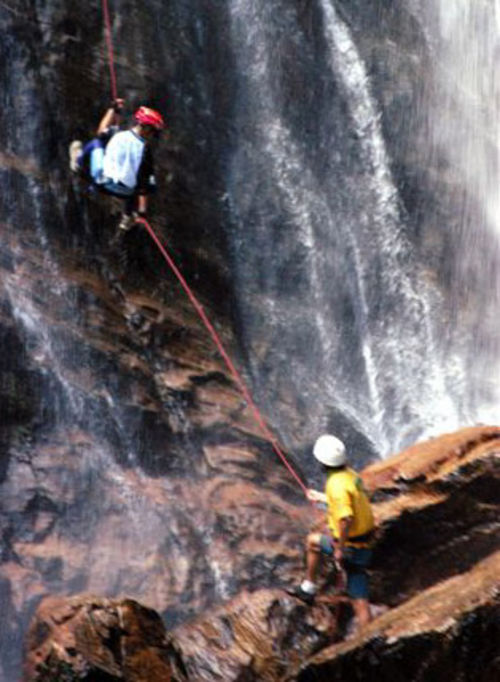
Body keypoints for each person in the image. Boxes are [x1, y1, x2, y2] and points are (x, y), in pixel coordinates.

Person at [288, 434, 375, 632]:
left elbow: (346, 518)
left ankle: (308, 588)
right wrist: (321, 497)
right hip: (365, 544)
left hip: (351, 547)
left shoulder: (335, 484)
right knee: (359, 597)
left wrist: (339, 548)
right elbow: (349, 499)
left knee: (312, 542)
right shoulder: (351, 475)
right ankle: (368, 637)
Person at [70, 102, 165, 232]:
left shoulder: (117, 134)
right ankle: (127, 217)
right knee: (135, 185)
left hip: (102, 184)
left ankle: (78, 163)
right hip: (125, 193)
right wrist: (142, 212)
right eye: (153, 132)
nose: (152, 136)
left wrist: (112, 110)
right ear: (146, 128)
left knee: (96, 143)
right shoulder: (146, 151)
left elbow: (102, 130)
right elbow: (145, 186)